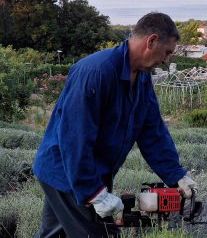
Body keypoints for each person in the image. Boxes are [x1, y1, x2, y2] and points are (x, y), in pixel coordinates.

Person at [33, 12, 197, 238]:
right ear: (151, 41)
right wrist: (93, 193)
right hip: (67, 172)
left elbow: (152, 131)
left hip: (87, 173)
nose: (166, 60)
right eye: (167, 52)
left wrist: (176, 175)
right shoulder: (95, 73)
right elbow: (75, 139)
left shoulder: (141, 78)